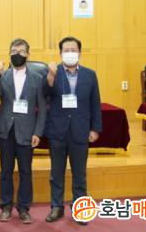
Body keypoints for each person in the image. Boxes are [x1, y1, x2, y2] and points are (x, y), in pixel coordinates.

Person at [43, 36, 102, 226]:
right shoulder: (53, 72)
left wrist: (95, 128)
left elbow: (95, 103)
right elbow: (44, 95)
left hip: (80, 130)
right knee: (56, 173)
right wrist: (50, 77)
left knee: (79, 174)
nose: (70, 53)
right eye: (66, 50)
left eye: (73, 50)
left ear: (80, 53)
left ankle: (80, 209)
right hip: (57, 130)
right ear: (60, 53)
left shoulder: (90, 75)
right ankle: (56, 206)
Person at [0, 38, 46, 224]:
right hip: (6, 130)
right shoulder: (3, 75)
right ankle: (6, 206)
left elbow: (43, 109)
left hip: (27, 131)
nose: (18, 54)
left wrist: (38, 132)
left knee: (25, 172)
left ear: (28, 55)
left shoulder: (37, 78)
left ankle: (24, 208)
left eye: (22, 51)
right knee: (5, 171)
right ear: (9, 53)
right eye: (14, 51)